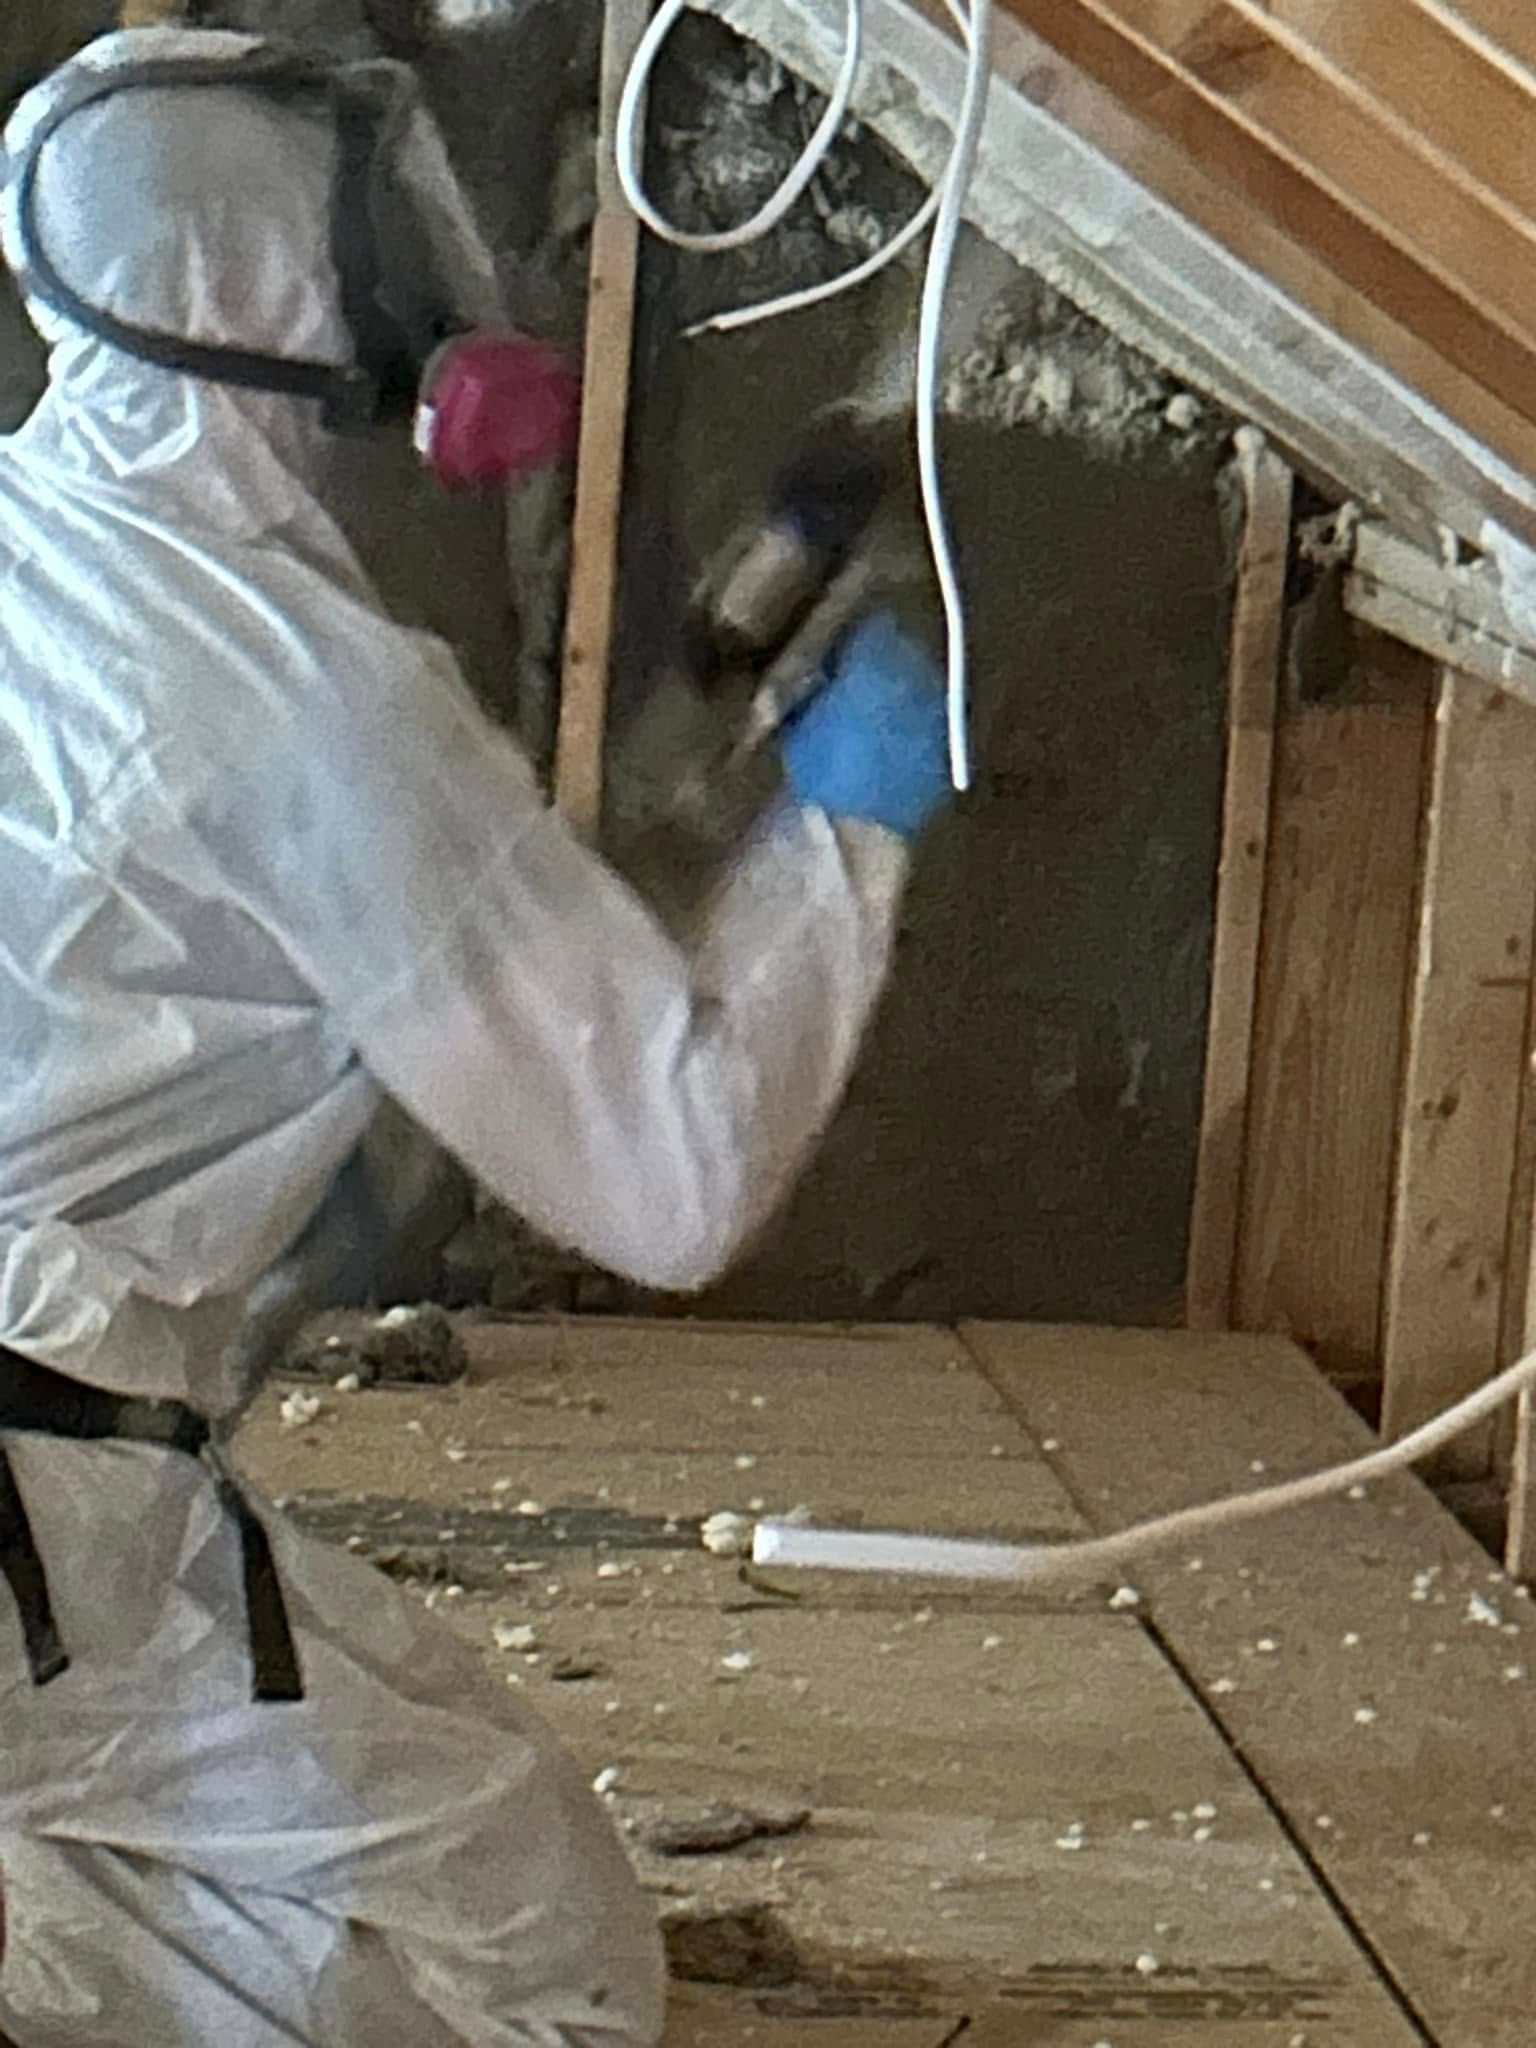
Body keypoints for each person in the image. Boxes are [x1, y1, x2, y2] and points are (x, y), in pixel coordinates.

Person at [0, 20, 954, 2048]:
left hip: (56, 1498)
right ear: (269, 281)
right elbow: (672, 1173)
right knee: (559, 1965)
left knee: (132, 1888)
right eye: (367, 231)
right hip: (47, 1541)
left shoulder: (45, 563)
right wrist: (850, 835)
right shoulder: (307, 702)